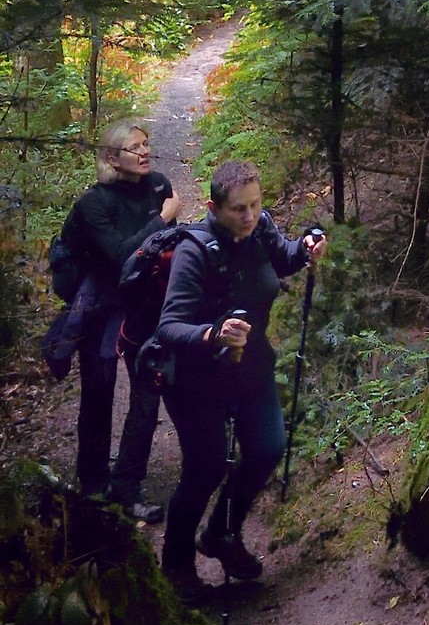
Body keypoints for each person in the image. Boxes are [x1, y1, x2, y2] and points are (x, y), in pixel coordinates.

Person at [156, 157, 325, 593]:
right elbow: (169, 326)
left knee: (268, 447)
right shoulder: (193, 251)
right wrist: (214, 333)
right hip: (194, 377)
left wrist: (306, 246)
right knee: (206, 467)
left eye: (255, 205)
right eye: (238, 209)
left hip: (250, 366)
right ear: (214, 208)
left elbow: (283, 258)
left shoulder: (260, 228)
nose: (249, 216)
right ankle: (176, 564)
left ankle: (221, 534)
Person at [65, 119, 178, 521]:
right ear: (112, 158)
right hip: (101, 309)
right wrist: (161, 221)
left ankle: (127, 486)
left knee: (148, 392)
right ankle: (93, 485)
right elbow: (120, 256)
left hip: (144, 306)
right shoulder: (93, 204)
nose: (145, 151)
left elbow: (165, 251)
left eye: (147, 144)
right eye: (134, 147)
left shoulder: (159, 186)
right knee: (99, 393)